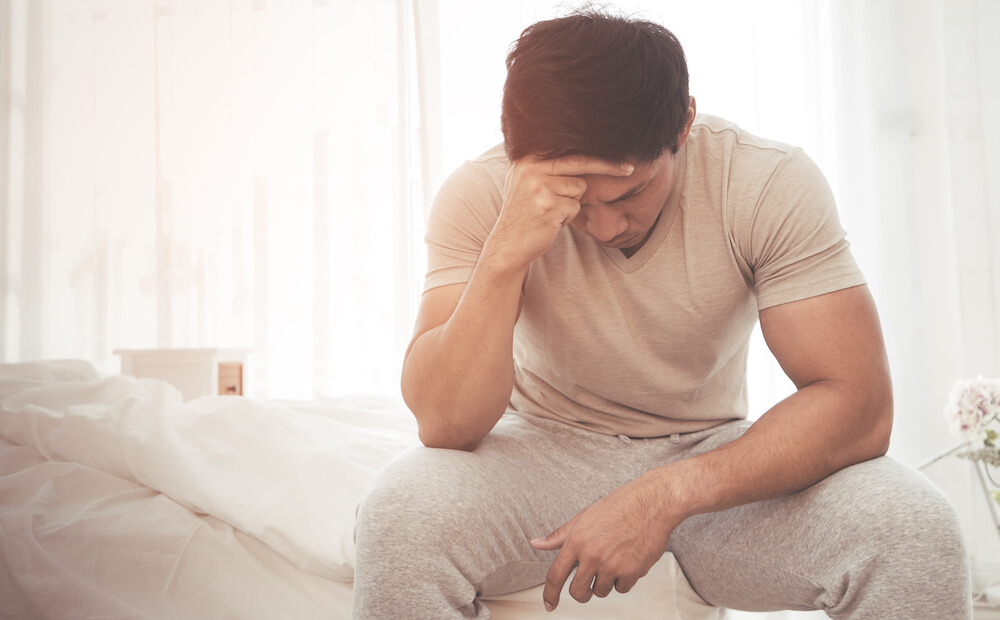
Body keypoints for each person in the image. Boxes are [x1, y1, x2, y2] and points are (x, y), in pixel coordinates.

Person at [353, 9, 971, 619]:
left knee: (913, 528)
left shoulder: (766, 182)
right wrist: (503, 255)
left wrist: (664, 495)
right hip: (541, 454)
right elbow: (444, 425)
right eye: (576, 204)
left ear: (685, 124)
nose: (602, 227)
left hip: (711, 459)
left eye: (628, 195)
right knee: (400, 515)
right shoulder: (482, 194)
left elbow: (859, 405)